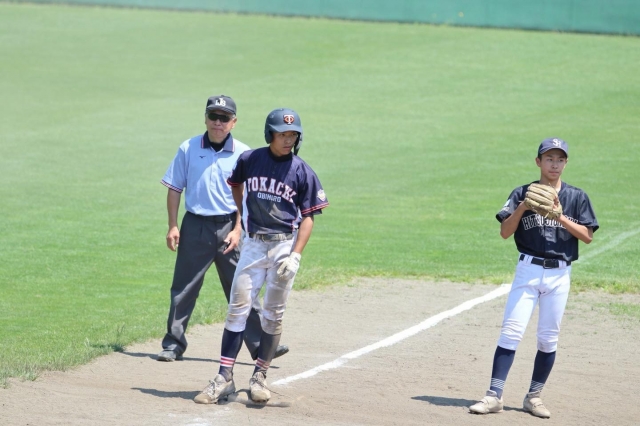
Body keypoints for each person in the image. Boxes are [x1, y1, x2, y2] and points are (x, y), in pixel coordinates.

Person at [193, 108, 329, 404]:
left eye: (293, 135)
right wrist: (243, 215)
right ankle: (224, 378)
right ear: (270, 134)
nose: (288, 139)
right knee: (237, 309)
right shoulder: (250, 159)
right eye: (282, 134)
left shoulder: (302, 171)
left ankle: (259, 376)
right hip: (254, 244)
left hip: (283, 247)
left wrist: (295, 256)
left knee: (273, 314)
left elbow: (308, 217)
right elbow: (236, 184)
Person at [469, 137, 598, 418]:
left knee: (548, 339)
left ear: (566, 163)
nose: (554, 164)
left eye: (560, 159)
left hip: (559, 275)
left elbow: (587, 236)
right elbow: (505, 232)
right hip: (527, 271)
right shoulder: (521, 193)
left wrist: (559, 216)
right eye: (549, 158)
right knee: (511, 332)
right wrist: (523, 207)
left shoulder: (577, 197)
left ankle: (534, 397)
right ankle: (494, 396)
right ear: (538, 161)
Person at [158, 95, 289, 362]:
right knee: (184, 288)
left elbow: (249, 195)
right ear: (205, 118)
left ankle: (261, 345)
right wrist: (172, 225)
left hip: (231, 227)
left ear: (234, 122)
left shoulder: (244, 153)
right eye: (213, 116)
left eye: (224, 118)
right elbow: (174, 188)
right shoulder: (188, 148)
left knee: (243, 287)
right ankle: (173, 344)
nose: (218, 123)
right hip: (195, 225)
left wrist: (238, 229)